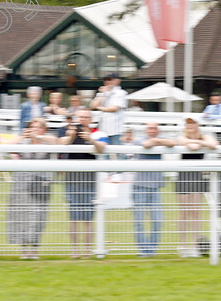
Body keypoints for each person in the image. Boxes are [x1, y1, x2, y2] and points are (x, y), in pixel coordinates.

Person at [58, 108, 109, 258]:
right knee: (73, 217)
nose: (83, 120)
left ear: (91, 119)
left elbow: (102, 148)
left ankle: (87, 250)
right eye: (80, 117)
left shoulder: (98, 133)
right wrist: (71, 136)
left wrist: (90, 139)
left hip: (90, 180)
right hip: (72, 179)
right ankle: (75, 250)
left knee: (87, 218)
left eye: (86, 117)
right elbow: (59, 144)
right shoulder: (67, 131)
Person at [8, 118, 57, 259]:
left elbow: (55, 141)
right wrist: (23, 136)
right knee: (22, 217)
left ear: (44, 129)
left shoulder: (47, 142)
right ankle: (24, 251)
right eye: (33, 127)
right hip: (22, 184)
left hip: (41, 185)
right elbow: (7, 147)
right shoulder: (23, 142)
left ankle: (34, 250)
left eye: (38, 127)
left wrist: (39, 137)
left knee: (38, 218)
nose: (35, 130)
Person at [176, 117, 219, 257]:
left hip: (197, 176)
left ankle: (194, 246)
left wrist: (198, 141)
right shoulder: (182, 136)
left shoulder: (203, 136)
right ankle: (182, 246)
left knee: (196, 212)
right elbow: (192, 147)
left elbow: (213, 144)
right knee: (184, 213)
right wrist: (200, 143)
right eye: (187, 123)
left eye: (192, 123)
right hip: (183, 176)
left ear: (197, 125)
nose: (189, 125)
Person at [132, 122, 174, 257]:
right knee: (139, 220)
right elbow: (146, 145)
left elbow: (172, 143)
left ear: (158, 130)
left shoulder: (161, 140)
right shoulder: (139, 139)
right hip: (139, 186)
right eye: (150, 128)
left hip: (155, 187)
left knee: (157, 220)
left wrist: (157, 140)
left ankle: (152, 250)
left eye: (155, 128)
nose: (152, 130)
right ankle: (143, 250)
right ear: (146, 130)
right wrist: (157, 141)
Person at [90, 74, 127, 145]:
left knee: (118, 153)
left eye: (110, 80)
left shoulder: (121, 93)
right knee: (103, 154)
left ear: (117, 81)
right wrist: (102, 93)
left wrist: (99, 108)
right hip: (102, 130)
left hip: (116, 130)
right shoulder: (101, 93)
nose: (108, 82)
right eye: (106, 80)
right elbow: (92, 105)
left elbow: (114, 108)